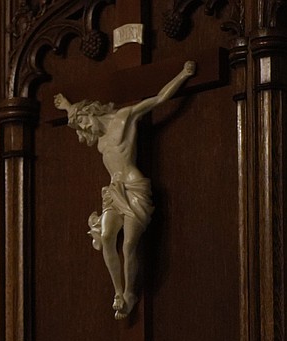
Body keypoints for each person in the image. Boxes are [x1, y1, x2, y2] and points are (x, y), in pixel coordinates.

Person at [54, 61, 195, 319]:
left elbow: (160, 98)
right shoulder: (98, 139)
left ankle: (130, 293)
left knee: (129, 244)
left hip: (134, 186)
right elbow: (77, 115)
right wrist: (66, 107)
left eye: (84, 121)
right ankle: (117, 292)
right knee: (108, 237)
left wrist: (183, 74)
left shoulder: (125, 118)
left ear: (92, 111)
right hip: (113, 191)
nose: (85, 129)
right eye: (80, 127)